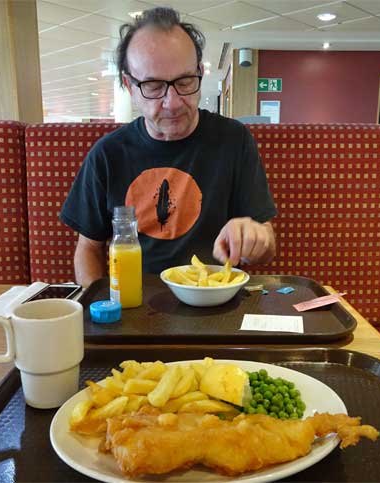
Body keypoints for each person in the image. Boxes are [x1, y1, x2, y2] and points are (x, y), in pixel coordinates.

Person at [60, 7, 277, 287]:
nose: (173, 102)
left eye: (185, 81)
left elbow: (268, 247)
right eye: (152, 86)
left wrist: (256, 236)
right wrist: (100, 312)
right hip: (133, 307)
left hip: (213, 304)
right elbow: (88, 248)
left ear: (200, 73)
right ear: (129, 85)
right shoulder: (107, 154)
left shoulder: (234, 141)